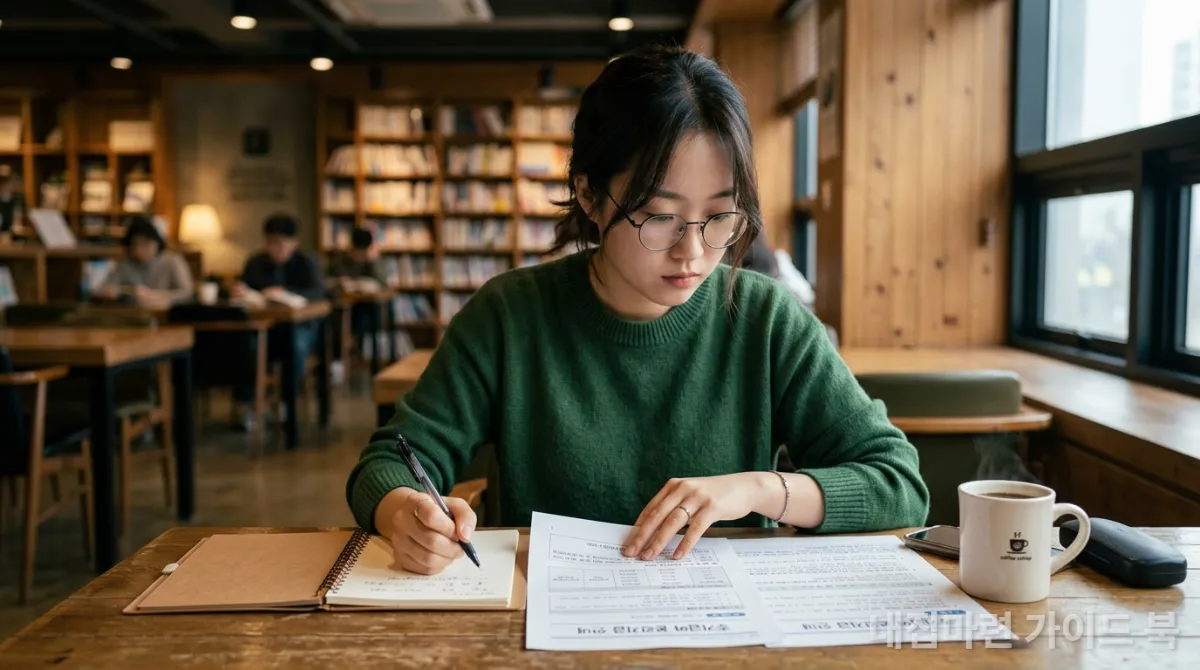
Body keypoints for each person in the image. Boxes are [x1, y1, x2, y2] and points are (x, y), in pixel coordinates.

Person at [346, 45, 928, 576]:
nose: (693, 251)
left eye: (721, 216)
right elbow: (393, 460)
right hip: (538, 627)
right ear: (589, 195)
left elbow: (898, 482)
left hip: (722, 632)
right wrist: (404, 514)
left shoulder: (766, 319)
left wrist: (757, 489)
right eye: (659, 216)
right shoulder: (509, 314)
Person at [233, 214, 327, 429]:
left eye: (280, 243)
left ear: (294, 243)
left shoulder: (306, 262)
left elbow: (319, 293)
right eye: (270, 242)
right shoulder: (256, 262)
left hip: (300, 327)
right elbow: (246, 289)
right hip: (266, 328)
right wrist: (241, 291)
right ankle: (252, 403)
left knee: (296, 345)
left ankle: (287, 401)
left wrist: (285, 291)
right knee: (244, 344)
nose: (274, 248)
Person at [327, 227, 390, 378]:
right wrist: (340, 283)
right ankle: (337, 362)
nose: (358, 256)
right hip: (343, 308)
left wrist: (372, 263)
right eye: (356, 251)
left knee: (372, 315)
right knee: (335, 319)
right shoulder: (339, 261)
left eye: (362, 252)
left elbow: (383, 284)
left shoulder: (374, 262)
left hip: (365, 309)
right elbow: (327, 283)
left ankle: (374, 363)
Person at [95, 215, 194, 306]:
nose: (140, 249)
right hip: (134, 318)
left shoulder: (172, 261)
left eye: (146, 243)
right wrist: (116, 292)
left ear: (157, 243)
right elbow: (103, 290)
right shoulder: (125, 265)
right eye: (135, 244)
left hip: (167, 317)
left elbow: (187, 292)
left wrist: (156, 296)